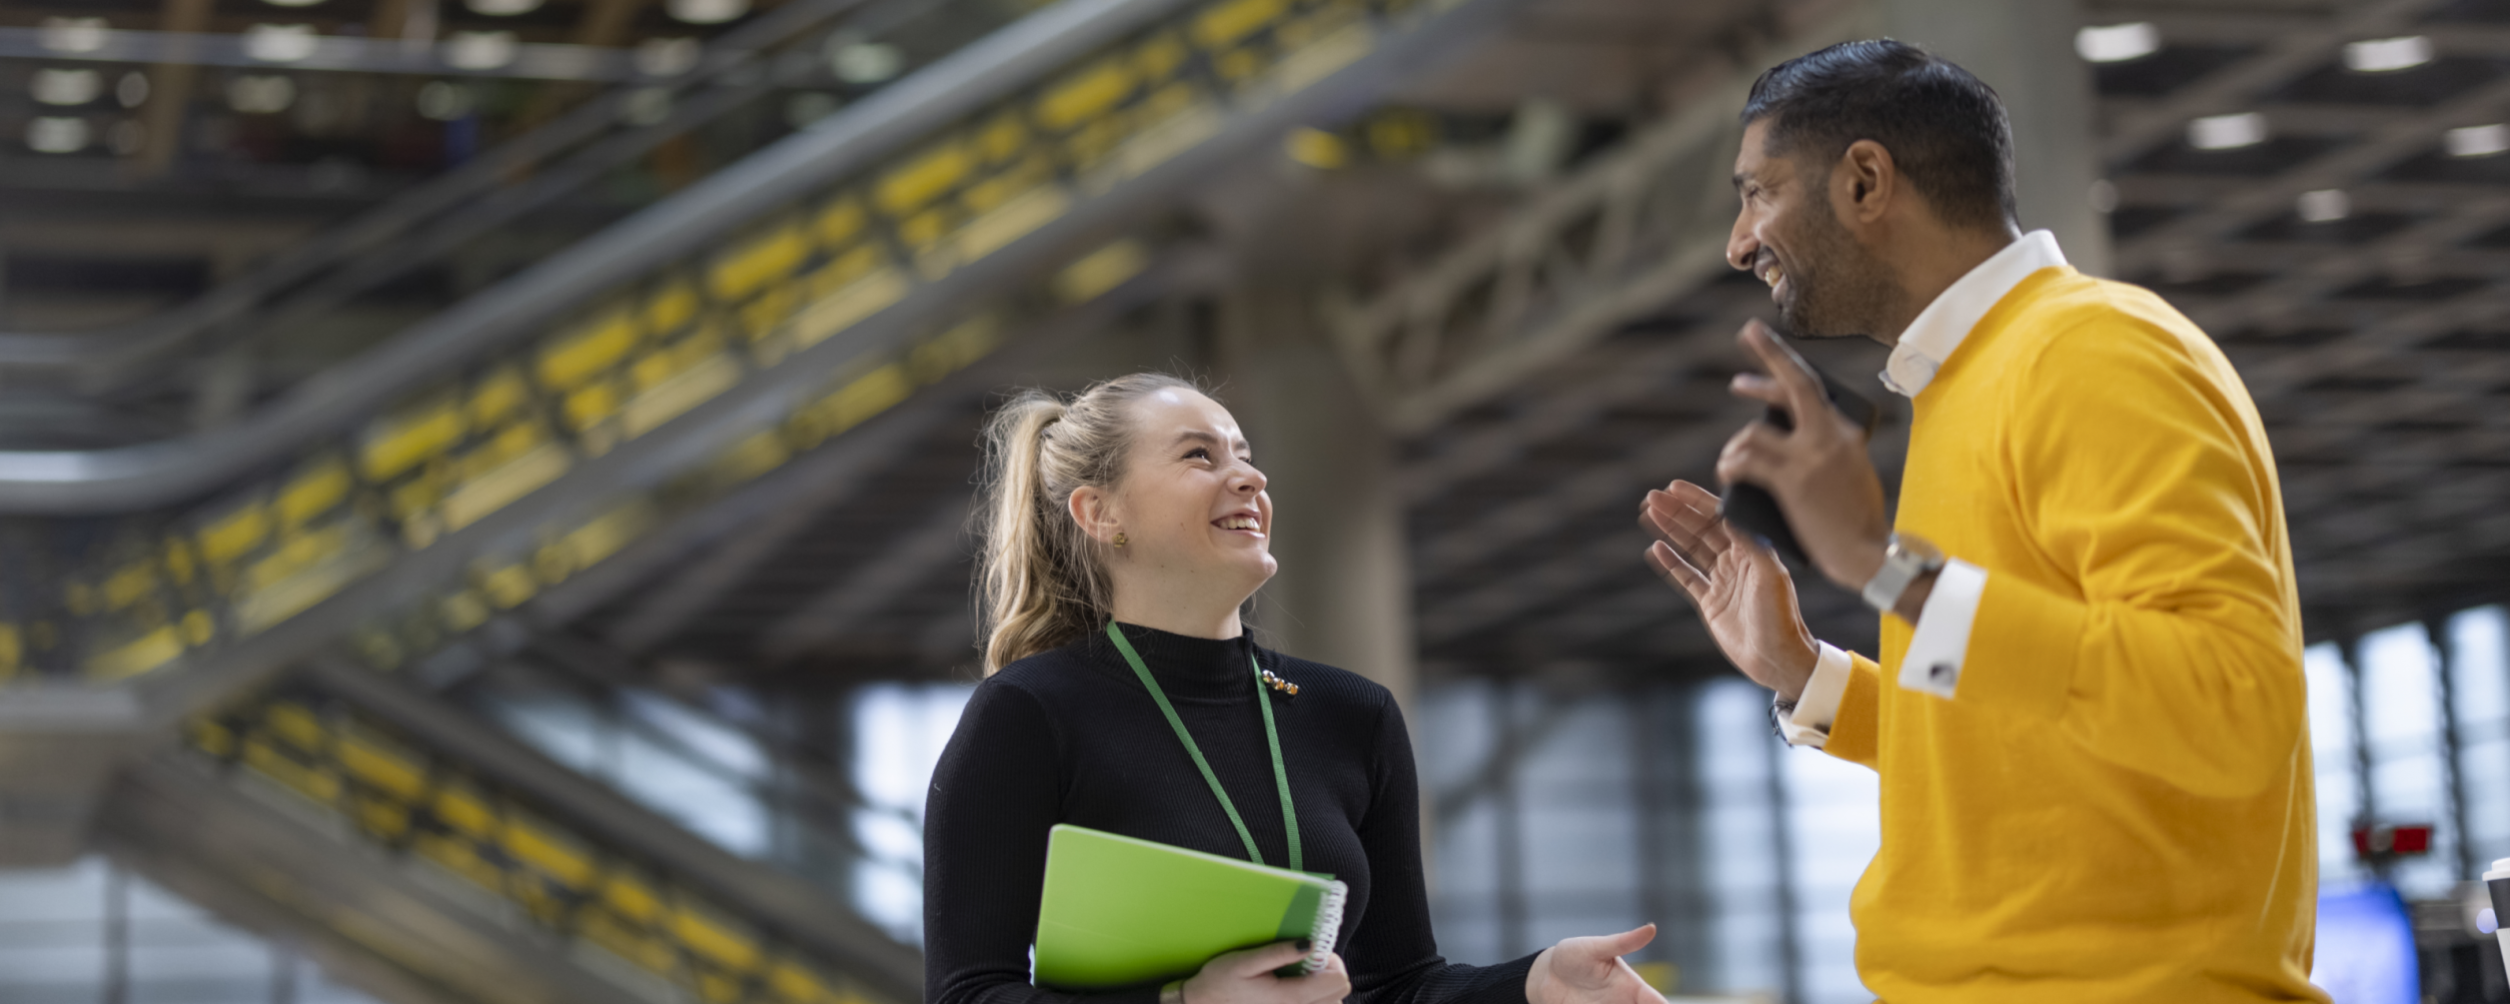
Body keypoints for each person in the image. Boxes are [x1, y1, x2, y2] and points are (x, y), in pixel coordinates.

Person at [1638, 40, 2324, 1002]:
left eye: (1759, 194)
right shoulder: (1976, 384)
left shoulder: (2092, 352)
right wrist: (1807, 672)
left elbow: (2226, 708)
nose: (1738, 242)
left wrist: (1880, 566)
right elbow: (2038, 727)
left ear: (1867, 181)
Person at [926, 373, 1667, 1004]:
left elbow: (1397, 984)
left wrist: (1534, 982)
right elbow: (968, 992)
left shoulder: (1353, 715)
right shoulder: (1030, 713)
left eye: (1246, 456)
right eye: (1199, 456)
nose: (1249, 477)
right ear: (1101, 512)